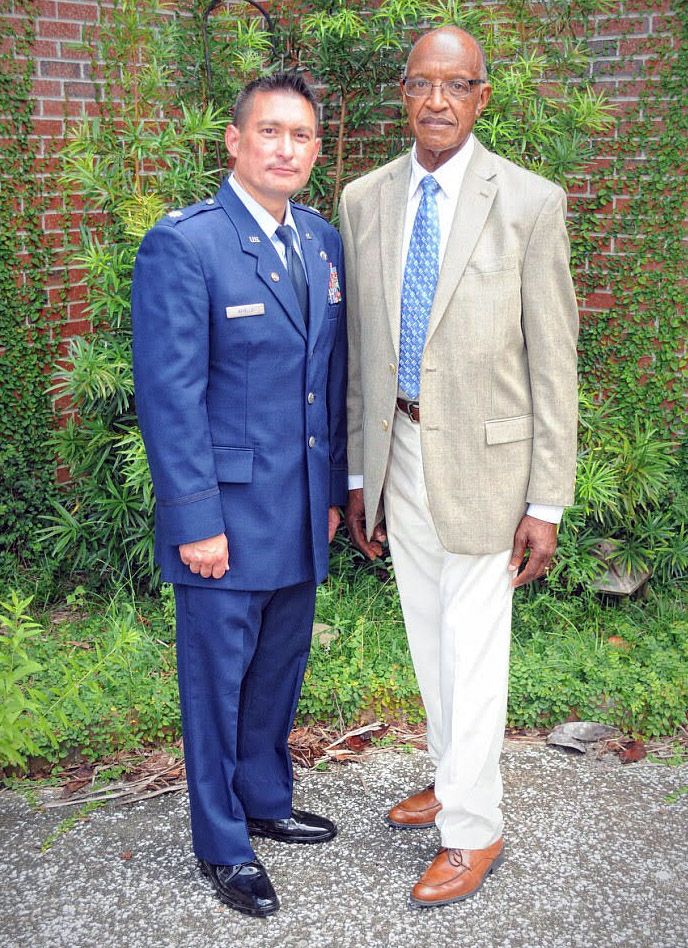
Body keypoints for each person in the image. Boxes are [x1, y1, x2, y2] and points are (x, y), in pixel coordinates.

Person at [339, 27, 578, 907]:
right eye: (421, 85)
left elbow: (554, 362)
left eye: (457, 85)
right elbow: (364, 348)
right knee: (430, 637)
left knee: (475, 649)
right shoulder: (364, 199)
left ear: (484, 97)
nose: (437, 101)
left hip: (490, 465)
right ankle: (452, 775)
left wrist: (548, 497)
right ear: (402, 94)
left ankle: (473, 831)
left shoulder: (527, 201)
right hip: (397, 451)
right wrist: (362, 476)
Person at [131, 72, 347, 918]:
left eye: (301, 136)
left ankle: (264, 798)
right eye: (270, 132)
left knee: (278, 670)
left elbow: (325, 384)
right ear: (234, 141)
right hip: (222, 515)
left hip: (296, 511)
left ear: (316, 151)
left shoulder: (320, 241)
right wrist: (194, 520)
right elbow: (169, 395)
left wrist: (328, 493)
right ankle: (222, 842)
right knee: (216, 683)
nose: (285, 148)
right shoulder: (186, 244)